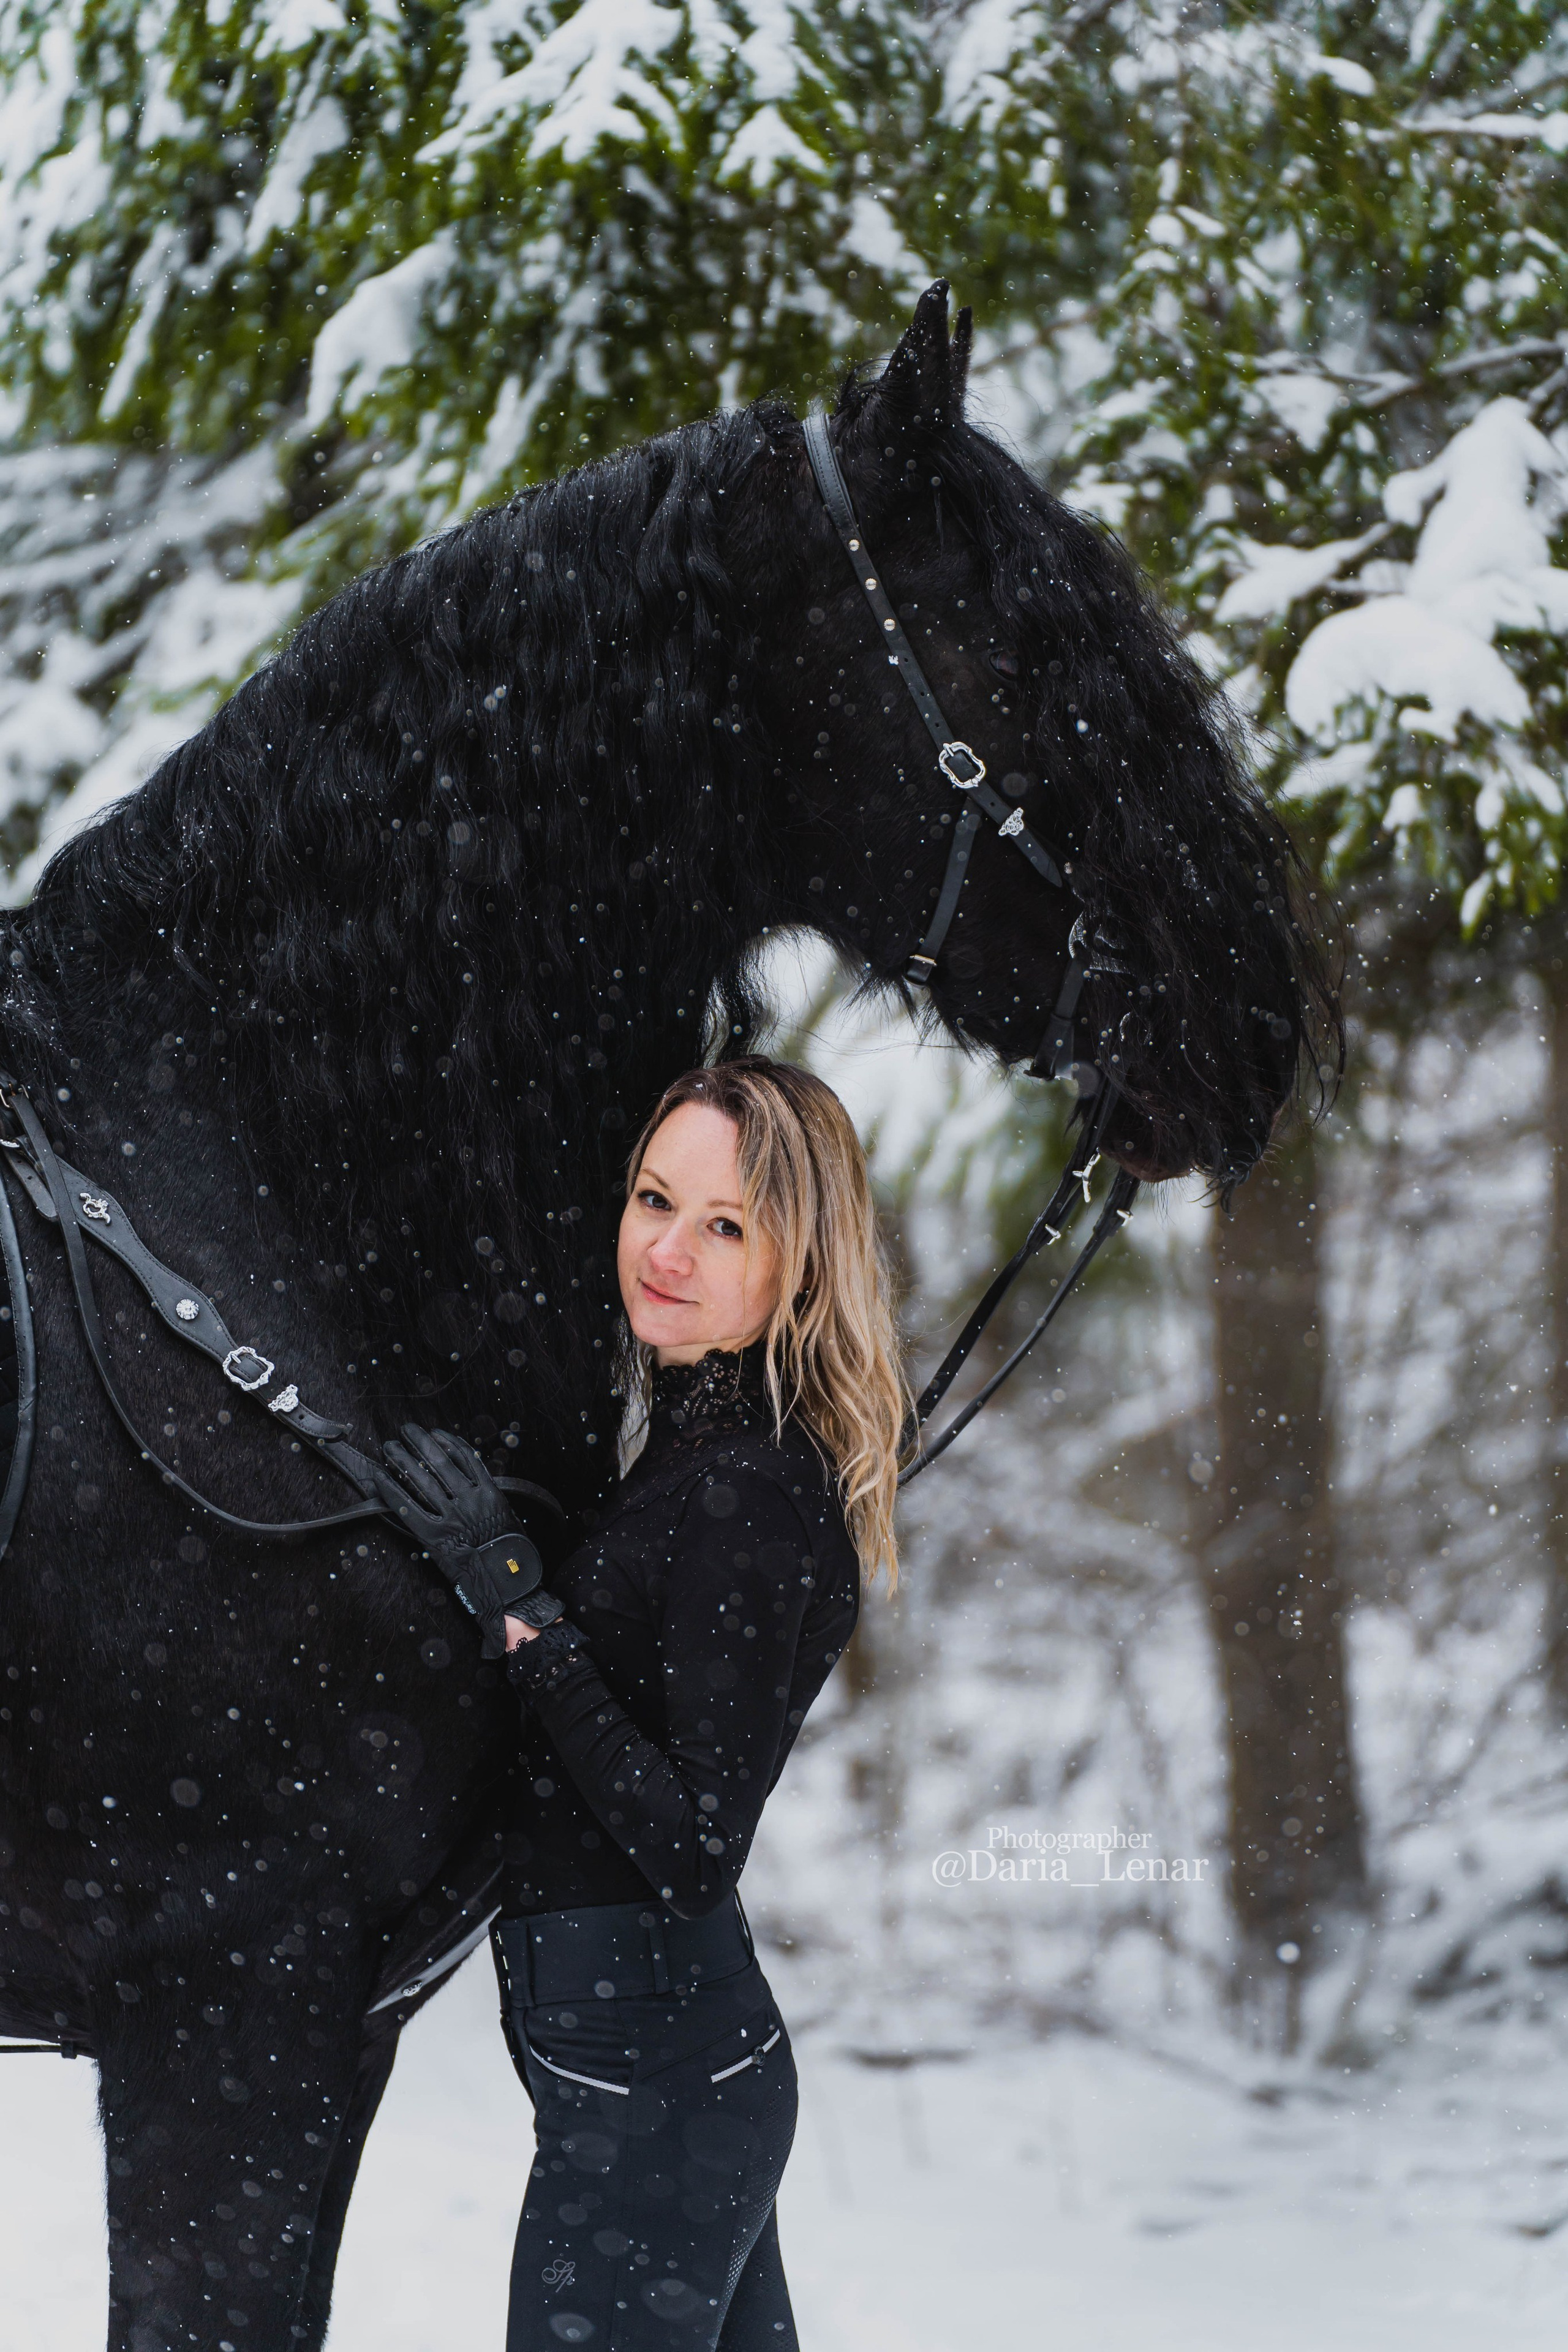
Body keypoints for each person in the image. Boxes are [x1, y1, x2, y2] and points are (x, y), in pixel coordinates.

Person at [374, 1058, 908, 2350]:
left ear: (800, 1259)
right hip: (661, 2081)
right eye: (653, 1199)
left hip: (658, 2095)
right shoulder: (695, 1444)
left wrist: (519, 1608)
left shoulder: (749, 1491)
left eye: (723, 1225)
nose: (666, 1250)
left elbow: (690, 1844)